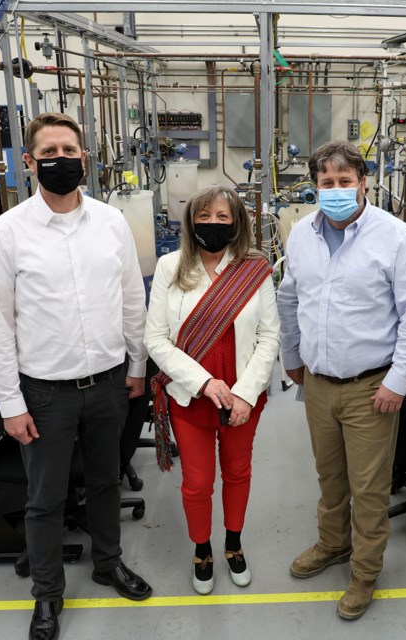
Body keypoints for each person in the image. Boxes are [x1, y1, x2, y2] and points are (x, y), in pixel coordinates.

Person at [0, 112, 153, 640]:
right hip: (44, 393)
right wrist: (10, 402)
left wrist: (137, 365)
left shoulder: (110, 222)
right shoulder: (8, 231)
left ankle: (107, 563)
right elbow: (0, 321)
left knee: (105, 481)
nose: (62, 160)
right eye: (49, 152)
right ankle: (47, 595)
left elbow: (131, 299)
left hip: (107, 383)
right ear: (31, 162)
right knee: (46, 499)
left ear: (86, 158)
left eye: (70, 151)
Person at [277, 140, 406, 620]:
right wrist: (291, 354)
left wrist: (398, 381)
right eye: (328, 183)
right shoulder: (301, 233)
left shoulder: (396, 237)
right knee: (330, 477)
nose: (337, 190)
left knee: (369, 488)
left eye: (346, 182)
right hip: (319, 383)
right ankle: (332, 544)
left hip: (372, 386)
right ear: (315, 186)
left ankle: (365, 573)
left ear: (363, 183)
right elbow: (288, 297)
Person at [145, 185, 280, 595]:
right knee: (197, 483)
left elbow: (269, 336)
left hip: (241, 397)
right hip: (191, 396)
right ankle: (202, 550)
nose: (213, 224)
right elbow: (156, 339)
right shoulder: (170, 268)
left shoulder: (255, 269)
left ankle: (233, 544)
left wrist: (245, 393)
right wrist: (203, 382)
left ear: (236, 223)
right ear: (190, 222)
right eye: (205, 217)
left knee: (238, 473)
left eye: (223, 218)